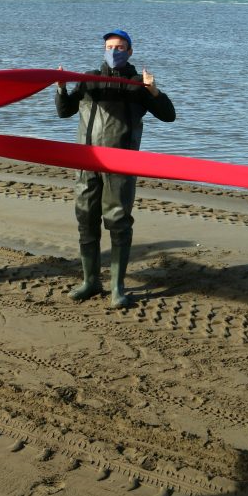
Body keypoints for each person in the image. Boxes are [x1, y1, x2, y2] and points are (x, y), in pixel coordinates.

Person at [56, 29, 176, 308]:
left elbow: (169, 115)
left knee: (118, 222)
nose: (114, 51)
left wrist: (154, 90)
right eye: (110, 46)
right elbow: (65, 112)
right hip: (86, 162)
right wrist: (61, 87)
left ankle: (117, 288)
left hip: (121, 164)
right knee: (86, 220)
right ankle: (90, 281)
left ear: (130, 51)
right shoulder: (88, 81)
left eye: (120, 47)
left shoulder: (137, 85)